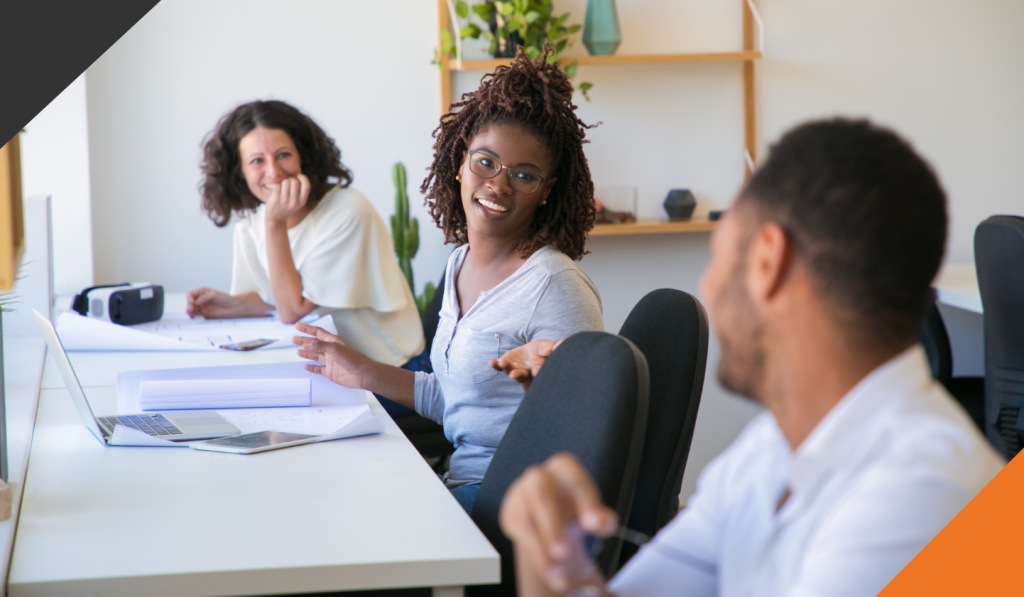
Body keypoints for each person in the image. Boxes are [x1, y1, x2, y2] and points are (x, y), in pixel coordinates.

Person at [495, 119, 1005, 596]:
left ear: (767, 262)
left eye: (718, 255)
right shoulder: (772, 449)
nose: (710, 288)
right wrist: (551, 555)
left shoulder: (921, 493)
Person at [292, 47, 604, 514]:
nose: (499, 185)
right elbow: (459, 401)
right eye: (486, 162)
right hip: (463, 481)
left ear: (546, 193)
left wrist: (538, 389)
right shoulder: (459, 262)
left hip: (516, 505)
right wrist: (362, 371)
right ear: (460, 161)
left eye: (524, 175)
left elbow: (588, 436)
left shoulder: (554, 286)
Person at [186, 100, 424, 371]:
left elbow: (293, 309)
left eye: (283, 155)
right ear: (239, 171)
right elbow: (275, 295)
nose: (274, 171)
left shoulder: (347, 211)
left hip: (389, 369)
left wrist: (275, 222)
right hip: (330, 366)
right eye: (256, 161)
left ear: (303, 156)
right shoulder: (250, 222)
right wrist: (232, 305)